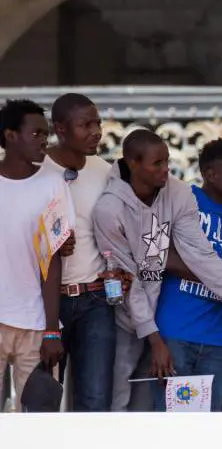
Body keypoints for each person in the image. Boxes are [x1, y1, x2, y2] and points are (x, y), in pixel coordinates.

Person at [92, 129, 222, 412]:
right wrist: (155, 338)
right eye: (156, 163)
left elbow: (201, 255)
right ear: (134, 164)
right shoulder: (108, 210)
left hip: (167, 321)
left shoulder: (178, 192)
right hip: (127, 319)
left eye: (167, 161)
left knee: (169, 414)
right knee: (120, 404)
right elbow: (129, 280)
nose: (166, 169)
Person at [151, 140, 222, 412]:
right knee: (171, 425)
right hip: (175, 332)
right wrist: (212, 276)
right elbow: (156, 253)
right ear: (211, 174)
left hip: (218, 338)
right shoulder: (184, 199)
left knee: (209, 427)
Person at [43, 93, 115, 412]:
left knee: (95, 401)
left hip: (95, 301)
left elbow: (119, 229)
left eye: (97, 122)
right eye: (85, 124)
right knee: (43, 401)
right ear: (60, 128)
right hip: (43, 303)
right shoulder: (33, 170)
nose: (96, 131)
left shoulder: (105, 171)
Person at [0, 99, 71, 411]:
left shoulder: (53, 184)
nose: (45, 141)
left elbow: (52, 262)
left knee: (38, 425)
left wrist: (51, 329)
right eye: (36, 133)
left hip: (34, 322)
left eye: (46, 134)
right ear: (10, 135)